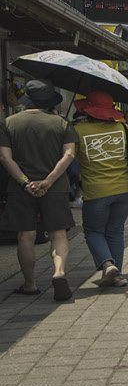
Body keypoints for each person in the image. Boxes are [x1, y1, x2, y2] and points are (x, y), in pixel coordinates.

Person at [0, 81, 77, 300]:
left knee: (26, 236)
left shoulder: (8, 123)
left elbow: (4, 157)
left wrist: (25, 182)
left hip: (19, 189)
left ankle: (30, 284)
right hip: (56, 188)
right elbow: (69, 155)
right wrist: (49, 180)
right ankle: (59, 272)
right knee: (58, 234)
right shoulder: (62, 123)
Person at [72, 90, 128, 289]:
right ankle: (116, 275)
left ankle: (108, 265)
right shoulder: (122, 127)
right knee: (115, 231)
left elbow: (70, 159)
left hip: (96, 191)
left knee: (93, 231)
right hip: (124, 189)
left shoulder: (78, 131)